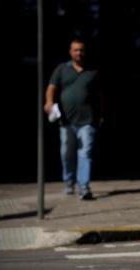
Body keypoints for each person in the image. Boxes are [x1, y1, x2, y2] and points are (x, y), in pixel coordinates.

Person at [44, 38, 103, 200]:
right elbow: (51, 88)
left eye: (81, 50)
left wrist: (100, 114)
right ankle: (69, 181)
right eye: (76, 50)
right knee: (67, 153)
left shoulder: (92, 71)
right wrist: (49, 102)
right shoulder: (62, 69)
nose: (79, 53)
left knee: (85, 152)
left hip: (87, 121)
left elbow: (99, 96)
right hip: (66, 122)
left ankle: (84, 186)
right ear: (70, 52)